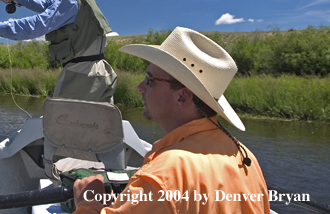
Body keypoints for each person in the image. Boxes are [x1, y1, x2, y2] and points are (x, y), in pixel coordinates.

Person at [72, 27, 270, 214]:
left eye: (150, 80)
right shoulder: (245, 157)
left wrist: (87, 203)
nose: (140, 87)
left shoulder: (163, 175)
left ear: (182, 97)